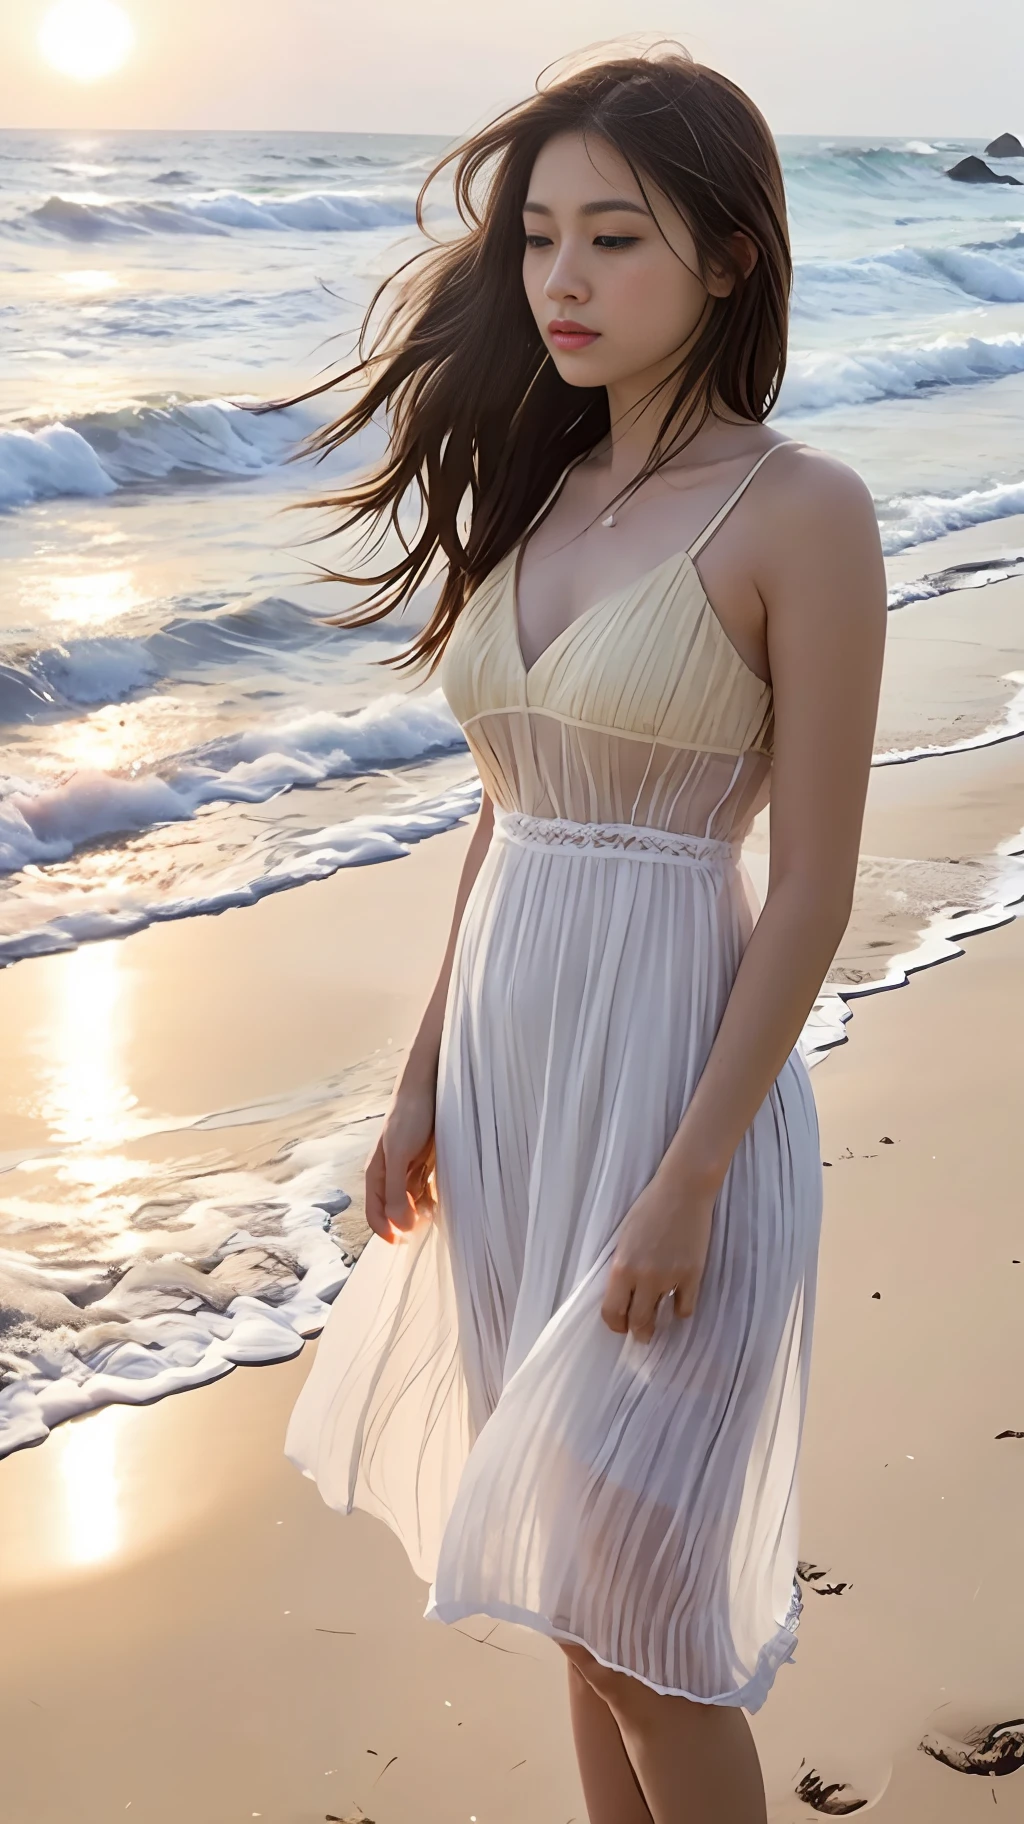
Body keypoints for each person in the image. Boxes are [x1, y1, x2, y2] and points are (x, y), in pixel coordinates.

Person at [282, 45, 887, 1824]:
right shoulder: (547, 494)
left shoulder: (803, 511)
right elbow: (507, 809)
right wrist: (415, 1086)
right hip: (511, 1089)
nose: (560, 277)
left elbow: (822, 887)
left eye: (613, 237)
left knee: (646, 1630)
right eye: (538, 236)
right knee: (569, 1593)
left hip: (673, 1100)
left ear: (729, 258)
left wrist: (690, 1179)